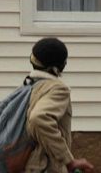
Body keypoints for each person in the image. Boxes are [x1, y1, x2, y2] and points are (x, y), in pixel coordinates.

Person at [26, 37, 94, 173]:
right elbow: (39, 118)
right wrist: (69, 161)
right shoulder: (57, 88)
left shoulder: (28, 86)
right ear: (60, 66)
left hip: (30, 165)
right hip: (47, 167)